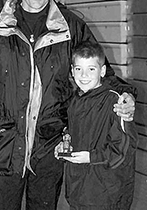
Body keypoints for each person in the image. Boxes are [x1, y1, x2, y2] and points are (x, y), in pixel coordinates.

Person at [0, 0, 136, 210]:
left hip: (52, 146)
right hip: (5, 144)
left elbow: (104, 73)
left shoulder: (72, 28)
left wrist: (126, 96)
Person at [55, 41, 138, 210]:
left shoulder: (116, 103)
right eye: (79, 69)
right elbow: (73, 133)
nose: (84, 75)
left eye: (91, 69)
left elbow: (124, 150)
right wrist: (64, 145)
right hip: (79, 189)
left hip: (105, 193)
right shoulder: (75, 100)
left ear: (103, 71)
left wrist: (91, 158)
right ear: (72, 70)